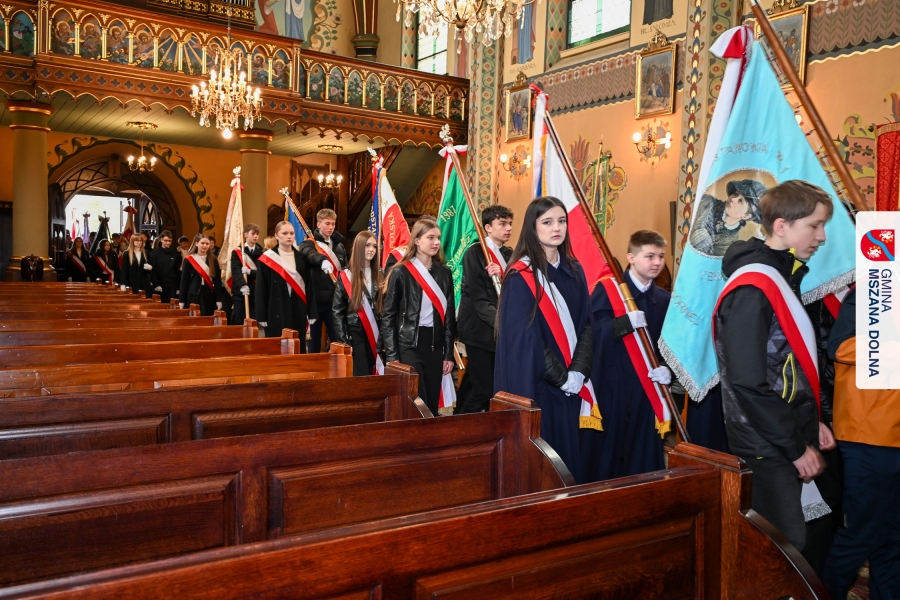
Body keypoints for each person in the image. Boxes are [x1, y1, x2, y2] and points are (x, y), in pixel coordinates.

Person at [713, 180, 836, 552]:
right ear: (781, 226)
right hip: (764, 440)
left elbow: (785, 363)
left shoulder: (782, 273)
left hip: (781, 432)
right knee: (780, 550)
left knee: (801, 540)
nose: (822, 236)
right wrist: (796, 447)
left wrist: (809, 421)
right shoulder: (754, 287)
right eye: (814, 225)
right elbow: (748, 381)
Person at [494, 197, 594, 481]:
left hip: (574, 383)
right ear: (533, 227)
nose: (556, 228)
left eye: (562, 221)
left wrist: (578, 371)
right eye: (547, 222)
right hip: (540, 387)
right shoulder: (520, 276)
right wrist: (562, 378)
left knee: (571, 463)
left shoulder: (575, 270)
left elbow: (587, 325)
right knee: (544, 467)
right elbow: (526, 340)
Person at [820, 288, 900, 599]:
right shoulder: (873, 292)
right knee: (860, 535)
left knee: (893, 537)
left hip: (891, 434)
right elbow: (841, 346)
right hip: (870, 433)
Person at [582, 230, 672, 483]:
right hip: (611, 382)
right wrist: (624, 323)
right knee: (607, 450)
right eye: (650, 256)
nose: (657, 262)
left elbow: (670, 346)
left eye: (661, 256)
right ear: (631, 257)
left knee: (641, 451)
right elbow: (592, 332)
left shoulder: (664, 299)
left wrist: (667, 369)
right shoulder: (608, 290)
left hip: (646, 387)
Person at [382, 219, 456, 415]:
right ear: (416, 240)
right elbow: (388, 317)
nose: (436, 242)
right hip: (408, 344)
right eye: (430, 237)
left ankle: (428, 433)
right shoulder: (400, 271)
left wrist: (448, 354)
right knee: (415, 398)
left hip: (434, 345)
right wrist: (392, 355)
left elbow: (449, 316)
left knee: (431, 399)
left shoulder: (444, 272)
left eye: (438, 238)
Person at [455, 204, 513, 414]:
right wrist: (503, 322)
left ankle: (457, 417)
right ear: (488, 227)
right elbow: (478, 298)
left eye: (510, 224)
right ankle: (465, 426)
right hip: (479, 330)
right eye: (502, 224)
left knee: (473, 381)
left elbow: (517, 287)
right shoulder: (475, 253)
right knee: (484, 389)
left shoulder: (509, 254)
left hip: (496, 331)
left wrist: (504, 274)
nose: (508, 228)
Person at [256, 220, 329, 351]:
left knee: (297, 347)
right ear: (276, 235)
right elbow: (261, 289)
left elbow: (308, 287)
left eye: (291, 233)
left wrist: (312, 312)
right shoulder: (267, 259)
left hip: (297, 309)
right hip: (275, 310)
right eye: (284, 233)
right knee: (276, 348)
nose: (289, 236)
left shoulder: (302, 258)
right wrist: (261, 315)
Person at [333, 231, 384, 376]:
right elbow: (337, 311)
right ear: (359, 247)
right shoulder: (346, 275)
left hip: (376, 332)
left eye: (374, 246)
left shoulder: (381, 273)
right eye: (367, 245)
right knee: (361, 373)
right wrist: (343, 341)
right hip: (355, 333)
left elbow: (385, 308)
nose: (371, 250)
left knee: (375, 373)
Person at [299, 209, 348, 352]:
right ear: (318, 224)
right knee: (314, 340)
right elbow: (309, 254)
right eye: (327, 223)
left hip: (335, 300)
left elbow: (344, 268)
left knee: (337, 337)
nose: (331, 227)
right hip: (316, 300)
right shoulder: (309, 243)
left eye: (333, 224)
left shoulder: (339, 245)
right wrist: (321, 260)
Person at [231, 223, 264, 324]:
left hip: (255, 290)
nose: (255, 236)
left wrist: (250, 272)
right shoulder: (237, 251)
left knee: (253, 320)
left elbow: (262, 272)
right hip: (240, 291)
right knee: (239, 318)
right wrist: (243, 285)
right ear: (245, 234)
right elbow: (235, 270)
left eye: (257, 234)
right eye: (253, 234)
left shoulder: (261, 252)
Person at [178, 234, 216, 315]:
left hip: (208, 294)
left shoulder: (213, 259)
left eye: (207, 244)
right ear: (196, 243)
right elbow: (184, 281)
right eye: (202, 243)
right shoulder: (189, 259)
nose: (204, 246)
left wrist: (219, 299)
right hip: (193, 294)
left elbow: (217, 280)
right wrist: (181, 300)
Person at [150, 230, 181, 303]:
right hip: (159, 284)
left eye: (170, 241)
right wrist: (156, 284)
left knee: (172, 305)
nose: (168, 243)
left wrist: (178, 287)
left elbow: (177, 271)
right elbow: (152, 271)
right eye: (166, 240)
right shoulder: (154, 253)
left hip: (172, 285)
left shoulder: (175, 253)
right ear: (161, 240)